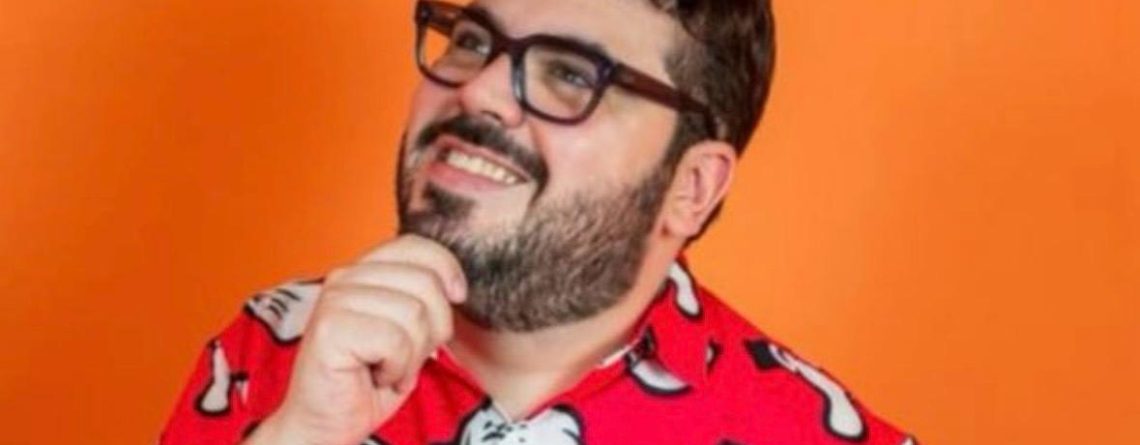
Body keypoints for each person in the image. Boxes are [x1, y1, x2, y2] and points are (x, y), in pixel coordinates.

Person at [161, 0, 916, 443]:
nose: (481, 91)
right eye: (472, 40)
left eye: (572, 74)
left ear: (692, 186)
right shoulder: (273, 350)